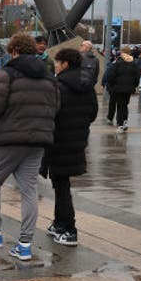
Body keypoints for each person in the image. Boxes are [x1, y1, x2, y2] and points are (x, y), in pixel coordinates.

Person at [0, 32, 59, 261]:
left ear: (13, 51)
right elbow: (56, 107)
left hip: (9, 139)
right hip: (38, 140)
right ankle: (25, 245)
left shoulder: (7, 74)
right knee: (29, 190)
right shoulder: (49, 77)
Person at [43, 48, 98, 247]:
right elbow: (93, 113)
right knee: (60, 183)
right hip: (77, 139)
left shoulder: (58, 86)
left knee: (62, 185)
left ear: (65, 64)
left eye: (57, 63)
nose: (55, 66)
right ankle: (59, 223)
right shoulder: (87, 85)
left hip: (59, 140)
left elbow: (50, 114)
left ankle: (69, 229)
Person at [101, 46, 140, 132]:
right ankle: (124, 121)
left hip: (117, 88)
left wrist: (111, 84)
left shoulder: (117, 62)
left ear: (122, 52)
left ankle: (120, 124)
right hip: (128, 88)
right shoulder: (134, 63)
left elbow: (111, 75)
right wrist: (134, 85)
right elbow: (137, 76)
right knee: (124, 105)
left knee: (119, 105)